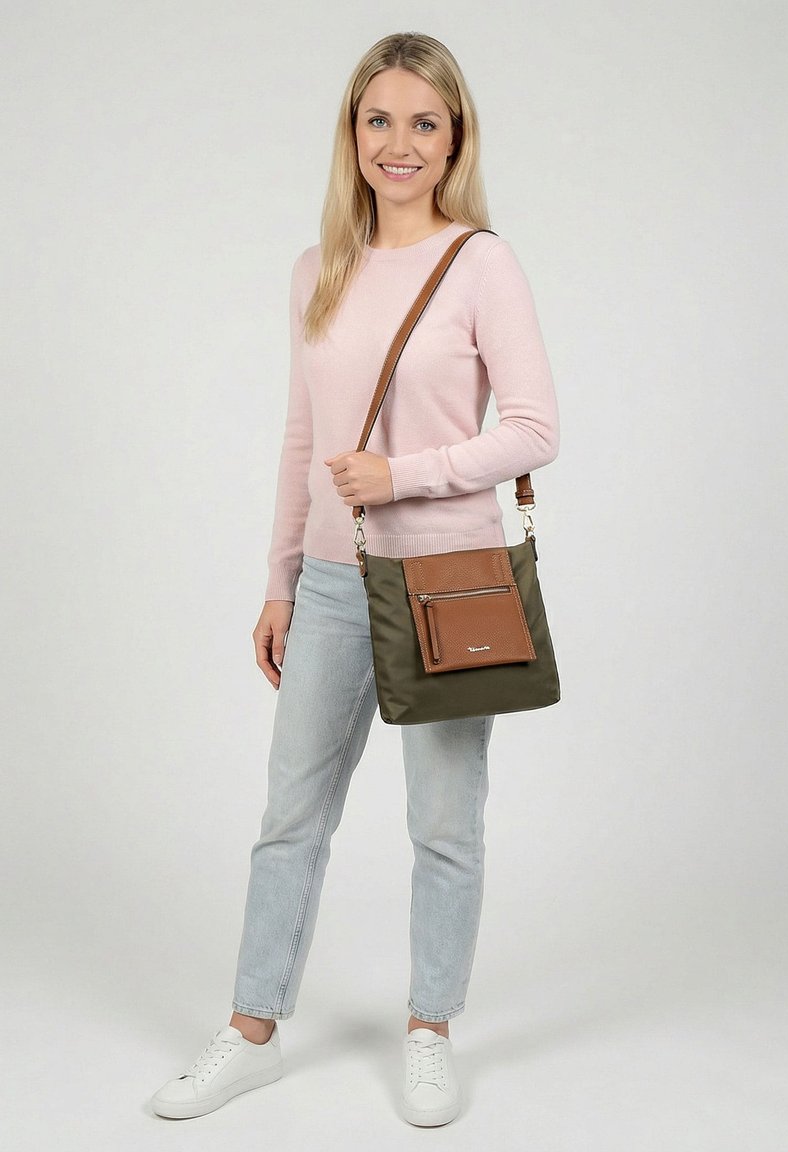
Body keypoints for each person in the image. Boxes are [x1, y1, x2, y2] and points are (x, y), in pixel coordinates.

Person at [150, 30, 559, 1128]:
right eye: (379, 119)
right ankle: (250, 1032)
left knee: (444, 825)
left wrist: (401, 475)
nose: (398, 143)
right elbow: (303, 438)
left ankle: (430, 1031)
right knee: (289, 817)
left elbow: (533, 429)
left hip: (450, 584)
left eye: (423, 122)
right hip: (333, 582)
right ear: (352, 132)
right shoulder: (316, 270)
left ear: (454, 138)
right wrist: (279, 580)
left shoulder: (481, 264)